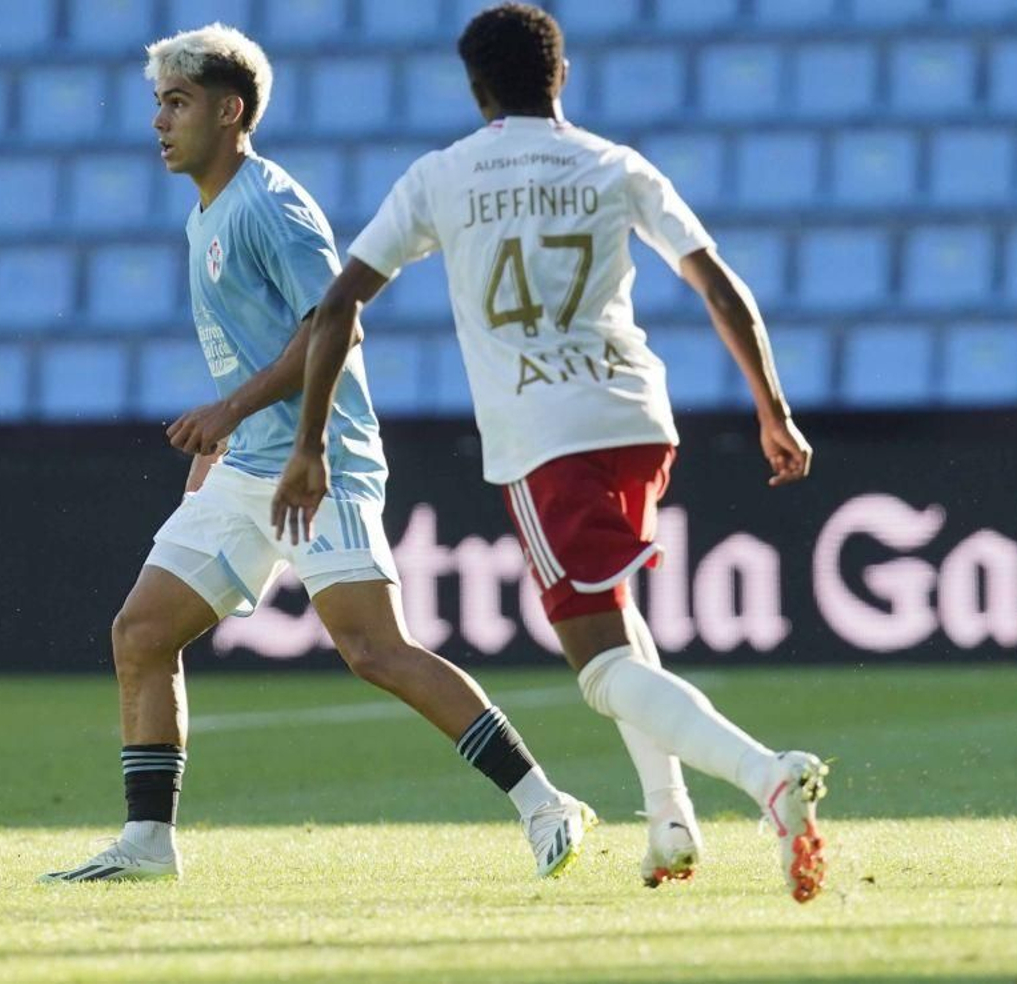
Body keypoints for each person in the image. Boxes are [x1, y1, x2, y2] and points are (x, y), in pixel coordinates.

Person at [271, 3, 831, 903]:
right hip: (640, 419)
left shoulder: (442, 176)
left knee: (601, 669)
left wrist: (308, 445)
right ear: (559, 77)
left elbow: (338, 307)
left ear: (478, 87)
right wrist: (773, 407)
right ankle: (669, 817)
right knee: (616, 617)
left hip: (545, 434)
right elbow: (714, 279)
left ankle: (768, 775)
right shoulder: (614, 163)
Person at [42, 22, 595, 884]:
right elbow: (245, 342)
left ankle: (543, 802)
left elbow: (333, 322)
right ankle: (148, 844)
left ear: (230, 112)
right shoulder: (208, 214)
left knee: (373, 650)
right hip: (249, 464)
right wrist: (218, 450)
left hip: (317, 457)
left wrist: (255, 423)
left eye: (177, 103)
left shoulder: (271, 204)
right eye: (157, 104)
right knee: (143, 633)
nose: (159, 121)